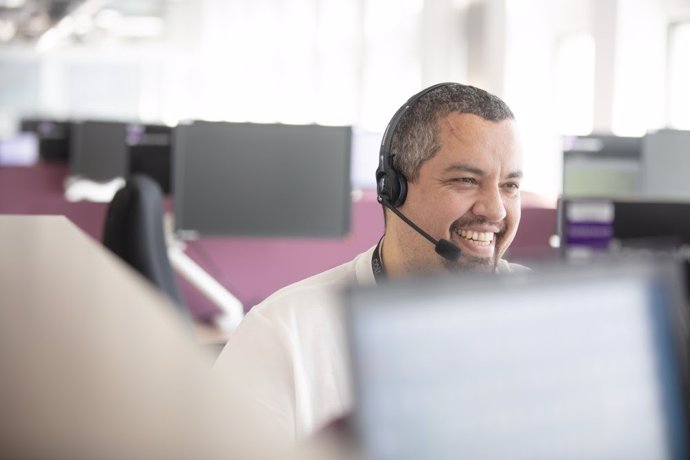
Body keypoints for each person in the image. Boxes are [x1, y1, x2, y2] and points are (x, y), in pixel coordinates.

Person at [214, 82, 528, 448]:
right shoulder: (284, 336)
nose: (496, 209)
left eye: (510, 186)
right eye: (466, 180)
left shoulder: (551, 318)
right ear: (394, 189)